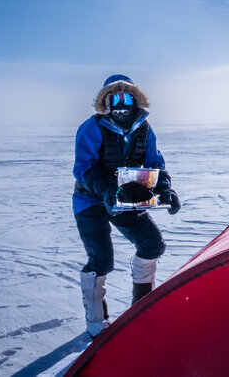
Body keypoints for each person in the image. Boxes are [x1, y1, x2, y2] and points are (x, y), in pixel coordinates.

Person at [72, 74, 181, 337]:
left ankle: (141, 308)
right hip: (90, 200)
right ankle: (96, 324)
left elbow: (155, 163)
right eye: (114, 97)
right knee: (101, 259)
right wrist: (110, 189)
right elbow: (83, 168)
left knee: (152, 244)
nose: (121, 103)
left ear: (136, 99)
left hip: (126, 197)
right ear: (105, 102)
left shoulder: (144, 128)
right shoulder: (92, 127)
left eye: (127, 96)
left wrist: (165, 189)